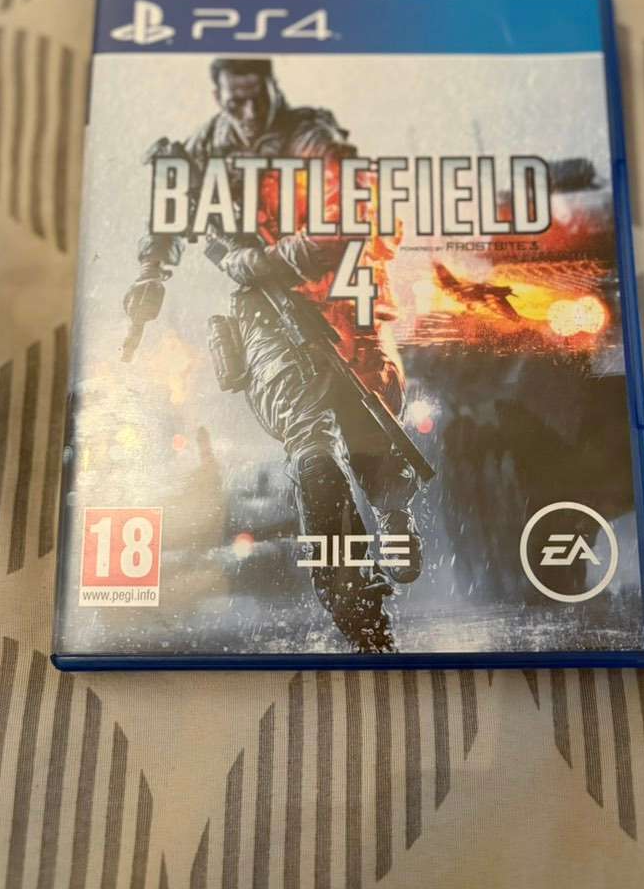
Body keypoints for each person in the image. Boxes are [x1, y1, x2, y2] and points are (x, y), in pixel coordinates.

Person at [123, 57, 423, 652]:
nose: (248, 111)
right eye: (235, 100)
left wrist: (262, 261)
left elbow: (344, 218)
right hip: (265, 310)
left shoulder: (310, 138)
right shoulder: (206, 148)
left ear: (272, 89)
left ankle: (392, 507)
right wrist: (151, 273)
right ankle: (358, 607)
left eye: (255, 97)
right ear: (220, 96)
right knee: (309, 448)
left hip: (339, 291)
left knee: (372, 414)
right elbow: (171, 207)